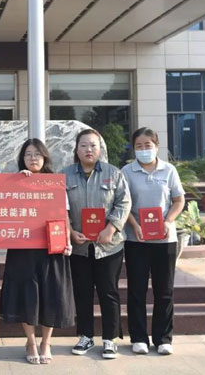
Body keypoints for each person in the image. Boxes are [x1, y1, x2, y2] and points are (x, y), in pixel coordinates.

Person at [0, 138, 75, 365]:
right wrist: (19, 184)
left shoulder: (55, 183)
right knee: (26, 294)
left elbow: (64, 215)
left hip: (51, 247)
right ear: (22, 158)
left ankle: (46, 342)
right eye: (28, 154)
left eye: (37, 154)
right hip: (23, 248)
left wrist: (67, 240)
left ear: (45, 158)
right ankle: (31, 342)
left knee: (51, 293)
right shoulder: (15, 182)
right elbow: (3, 211)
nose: (33, 158)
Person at [62, 128, 131, 359]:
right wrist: (70, 232)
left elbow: (124, 202)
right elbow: (59, 207)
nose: (88, 150)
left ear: (100, 149)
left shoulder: (114, 173)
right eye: (83, 145)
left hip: (109, 246)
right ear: (76, 149)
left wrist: (111, 228)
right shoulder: (65, 176)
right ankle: (86, 336)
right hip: (79, 246)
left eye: (93, 145)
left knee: (108, 292)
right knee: (82, 293)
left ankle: (110, 339)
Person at [121, 127, 185, 356]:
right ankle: (139, 337)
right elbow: (123, 203)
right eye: (138, 146)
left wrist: (168, 221)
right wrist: (134, 225)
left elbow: (178, 200)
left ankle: (163, 338)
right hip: (136, 239)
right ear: (133, 149)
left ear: (157, 146)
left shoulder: (169, 170)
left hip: (165, 240)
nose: (144, 149)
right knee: (136, 290)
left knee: (164, 290)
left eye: (148, 145)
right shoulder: (127, 171)